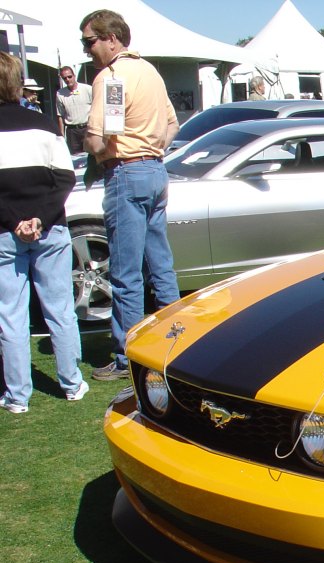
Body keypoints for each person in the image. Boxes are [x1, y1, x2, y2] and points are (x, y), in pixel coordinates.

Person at [81, 9, 181, 380]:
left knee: (126, 272)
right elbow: (172, 124)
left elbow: (101, 137)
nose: (88, 50)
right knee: (160, 263)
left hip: (126, 171)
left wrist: (100, 149)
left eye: (90, 41)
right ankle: (178, 341)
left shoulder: (112, 77)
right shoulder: (150, 72)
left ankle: (128, 356)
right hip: (154, 169)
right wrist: (150, 148)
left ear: (112, 38)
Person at [0, 53, 87, 413]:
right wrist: (39, 219)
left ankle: (18, 395)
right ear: (18, 82)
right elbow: (65, 178)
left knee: (11, 315)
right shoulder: (46, 125)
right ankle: (71, 383)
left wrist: (15, 221)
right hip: (49, 228)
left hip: (5, 232)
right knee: (60, 309)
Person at [55, 66, 92, 154]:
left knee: (92, 155)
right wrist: (61, 136)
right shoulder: (60, 93)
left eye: (69, 76)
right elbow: (60, 115)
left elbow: (97, 108)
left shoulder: (87, 89)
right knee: (75, 158)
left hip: (88, 127)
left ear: (74, 76)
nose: (67, 79)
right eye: (65, 78)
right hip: (72, 131)